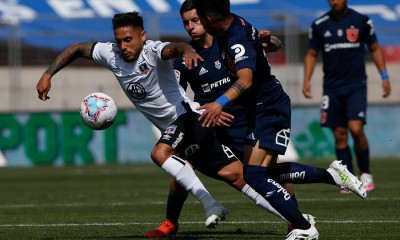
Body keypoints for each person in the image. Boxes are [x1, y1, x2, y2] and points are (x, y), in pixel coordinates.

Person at [35, 10, 287, 232]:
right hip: (184, 123)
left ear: (142, 36)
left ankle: (210, 205)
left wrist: (186, 49)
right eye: (119, 40)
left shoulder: (153, 51)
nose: (123, 45)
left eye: (128, 39)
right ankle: (296, 219)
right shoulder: (110, 54)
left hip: (189, 120)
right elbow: (78, 48)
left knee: (161, 152)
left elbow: (174, 48)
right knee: (237, 176)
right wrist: (48, 74)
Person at [191, 0, 367, 239]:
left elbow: (245, 80)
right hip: (258, 107)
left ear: (209, 19)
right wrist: (268, 43)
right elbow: (269, 46)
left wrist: (218, 103)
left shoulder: (236, 36)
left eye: (199, 19)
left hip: (268, 106)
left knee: (253, 175)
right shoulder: (230, 27)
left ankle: (304, 227)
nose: (196, 25)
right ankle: (334, 176)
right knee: (266, 172)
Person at [302, 0, 391, 192]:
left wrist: (384, 76)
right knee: (339, 133)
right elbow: (310, 54)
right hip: (332, 88)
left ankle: (366, 173)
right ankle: (348, 178)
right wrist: (306, 80)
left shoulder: (361, 21)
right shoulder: (320, 24)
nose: (334, 1)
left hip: (356, 85)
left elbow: (375, 48)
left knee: (356, 129)